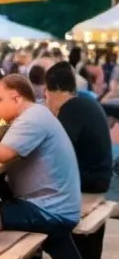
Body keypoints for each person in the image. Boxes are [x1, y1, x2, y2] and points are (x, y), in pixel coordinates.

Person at [0, 74, 81, 236]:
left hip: (50, 210)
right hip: (57, 206)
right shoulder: (36, 114)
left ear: (16, 99)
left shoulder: (32, 118)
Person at [44, 62, 112, 194]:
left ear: (56, 88)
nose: (46, 98)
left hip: (91, 181)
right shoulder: (84, 102)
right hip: (99, 177)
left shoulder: (71, 109)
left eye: (46, 91)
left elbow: (55, 150)